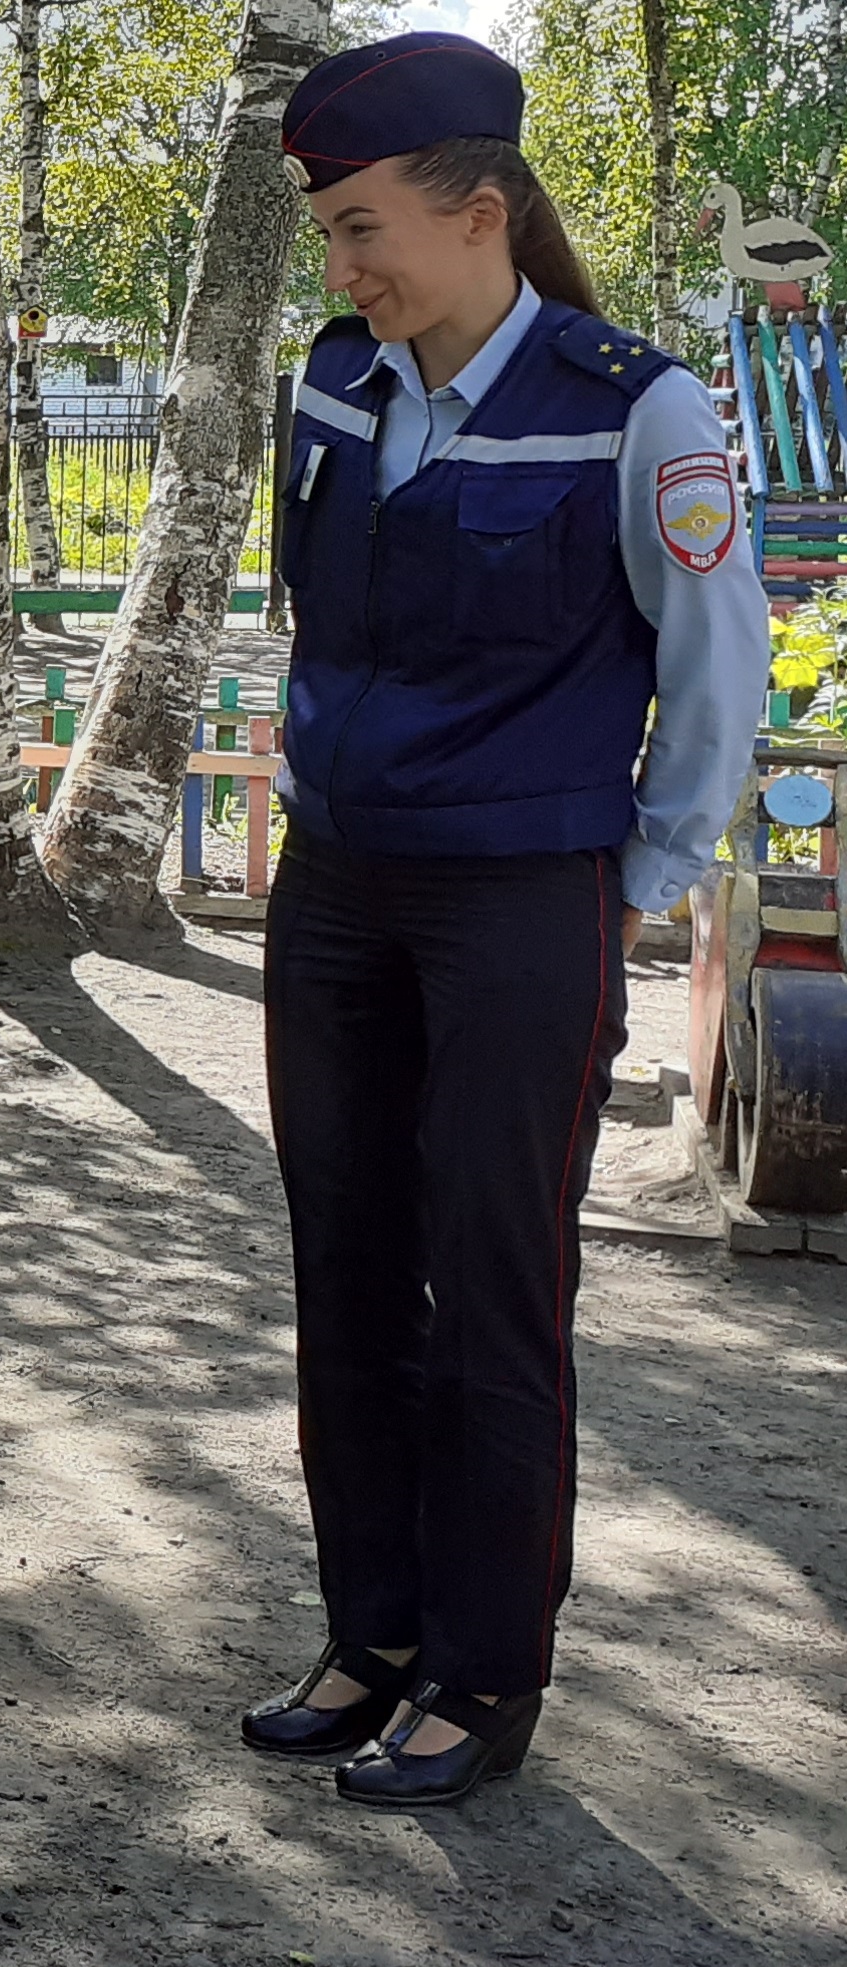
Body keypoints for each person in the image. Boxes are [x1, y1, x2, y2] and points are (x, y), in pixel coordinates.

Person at [245, 34, 771, 1807]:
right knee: (342, 1268)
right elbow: (318, 626)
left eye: (361, 228)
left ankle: (484, 1668)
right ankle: (372, 1629)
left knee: (493, 1286)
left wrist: (628, 884)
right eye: (326, 235)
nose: (342, 268)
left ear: (481, 214)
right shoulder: (335, 382)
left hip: (514, 904)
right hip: (335, 889)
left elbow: (713, 673)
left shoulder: (640, 408)